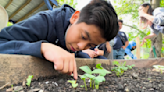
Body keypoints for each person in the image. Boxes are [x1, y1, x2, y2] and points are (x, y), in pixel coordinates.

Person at [0, 0, 119, 79]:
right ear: (75, 17)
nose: (81, 46)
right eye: (83, 36)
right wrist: (43, 47)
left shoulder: (75, 40)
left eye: (90, 45)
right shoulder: (44, 22)